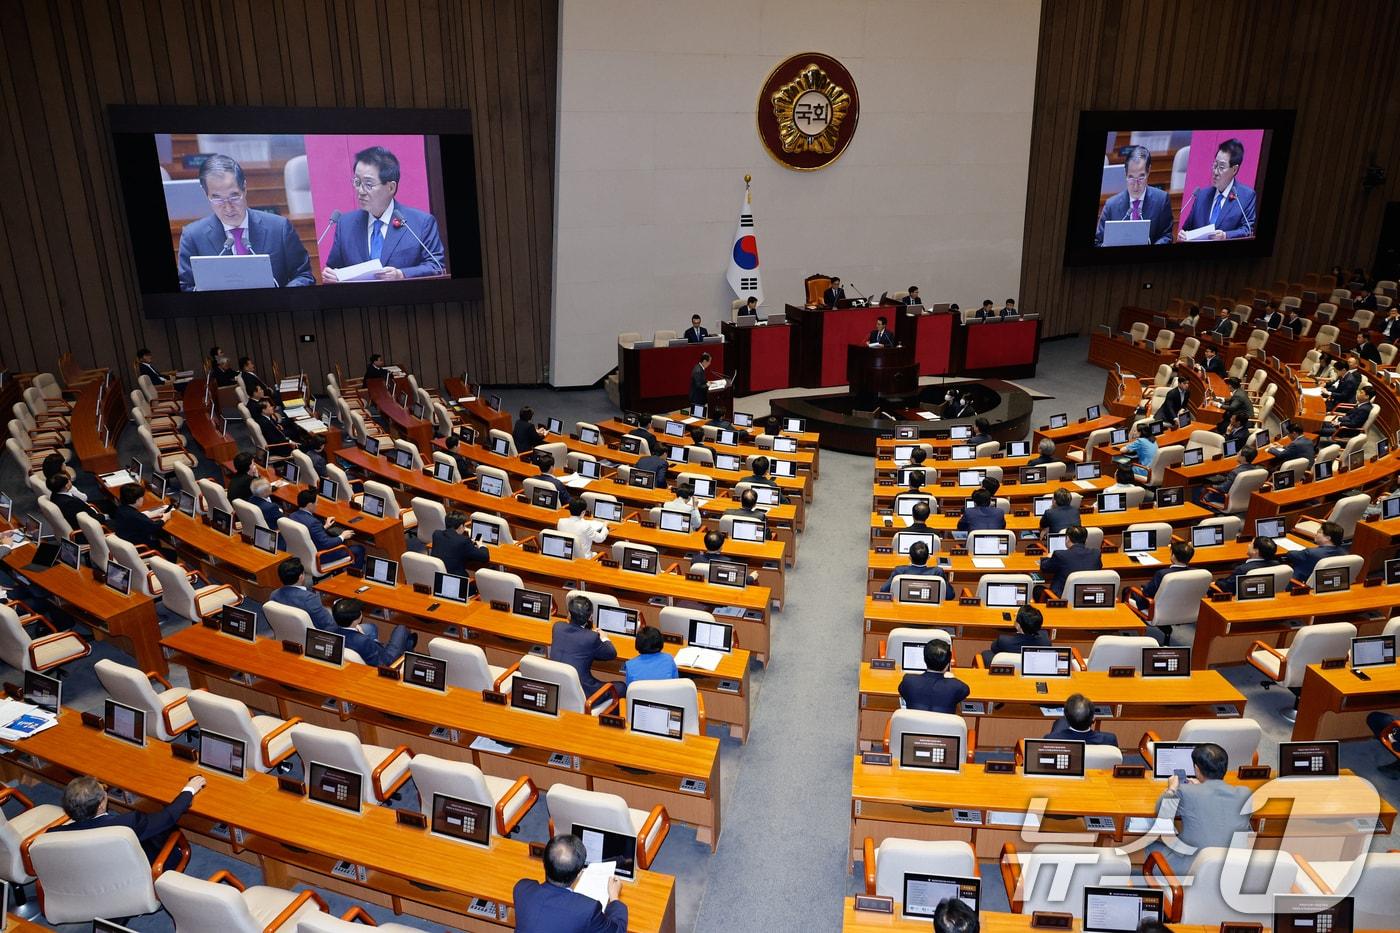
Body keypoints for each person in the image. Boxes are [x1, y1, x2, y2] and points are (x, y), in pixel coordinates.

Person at [176, 154, 313, 290]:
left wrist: (281, 298)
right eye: (217, 199)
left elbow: (304, 276)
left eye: (234, 196)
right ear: (206, 194)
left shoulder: (279, 228)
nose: (228, 207)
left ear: (244, 188)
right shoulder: (193, 237)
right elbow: (185, 287)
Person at [323, 145, 445, 280]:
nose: (360, 191)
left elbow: (436, 266)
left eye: (368, 184)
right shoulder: (345, 224)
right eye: (357, 182)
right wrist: (331, 275)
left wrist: (401, 274)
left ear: (391, 187)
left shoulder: (421, 223)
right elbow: (334, 268)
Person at [52, 774, 207, 867]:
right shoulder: (128, 824)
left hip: (90, 877)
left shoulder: (53, 836)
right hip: (135, 870)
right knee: (164, 831)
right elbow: (167, 818)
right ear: (100, 805)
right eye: (104, 792)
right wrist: (190, 789)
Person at [1150, 743, 1253, 874]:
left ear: (1197, 769)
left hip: (1192, 870)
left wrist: (1172, 788)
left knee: (1151, 847)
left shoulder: (1186, 792)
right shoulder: (1245, 794)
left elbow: (1161, 811)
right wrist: (1202, 785)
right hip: (1232, 870)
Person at [513, 834, 627, 933]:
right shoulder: (588, 910)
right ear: (578, 874)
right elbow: (618, 930)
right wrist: (614, 898)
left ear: (544, 863)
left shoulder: (522, 889)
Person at [1179, 138, 1257, 241]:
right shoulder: (1201, 195)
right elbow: (1186, 229)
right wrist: (1183, 235)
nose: (1215, 172)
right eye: (1215, 165)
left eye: (1221, 167)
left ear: (1234, 169)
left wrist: (1225, 236)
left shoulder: (1245, 196)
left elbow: (1247, 230)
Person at [1095, 146, 1174, 247]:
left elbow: (1167, 236)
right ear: (1125, 173)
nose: (1136, 186)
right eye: (1131, 177)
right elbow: (1098, 242)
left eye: (1141, 177)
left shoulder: (1162, 200)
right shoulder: (1111, 205)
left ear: (1148, 170)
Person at [551, 594, 619, 698]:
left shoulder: (557, 627)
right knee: (621, 687)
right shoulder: (591, 637)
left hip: (556, 686)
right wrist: (604, 637)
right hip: (582, 692)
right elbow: (611, 654)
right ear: (591, 617)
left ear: (569, 614)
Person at [1130, 540, 1196, 643]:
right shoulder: (1196, 573)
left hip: (1157, 610)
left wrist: (1143, 589)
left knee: (1129, 591)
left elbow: (1147, 592)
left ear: (1173, 556)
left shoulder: (1163, 574)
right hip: (1184, 610)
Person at [286, 487, 364, 568]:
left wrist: (324, 527)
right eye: (316, 503)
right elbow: (326, 544)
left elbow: (308, 533)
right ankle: (354, 576)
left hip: (302, 552)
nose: (317, 505)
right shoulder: (313, 522)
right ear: (309, 505)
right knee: (359, 549)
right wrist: (342, 536)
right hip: (321, 556)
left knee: (335, 536)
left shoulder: (292, 516)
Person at [331, 597, 413, 667]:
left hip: (360, 646)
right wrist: (372, 643)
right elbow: (382, 662)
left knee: (371, 627)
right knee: (401, 629)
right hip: (386, 659)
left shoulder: (332, 632)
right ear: (356, 620)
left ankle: (409, 643)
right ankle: (409, 646)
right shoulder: (364, 641)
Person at [897, 639, 969, 713]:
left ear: (924, 659)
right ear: (948, 664)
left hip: (914, 724)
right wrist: (951, 679)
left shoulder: (909, 681)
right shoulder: (956, 686)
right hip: (943, 724)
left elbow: (903, 692)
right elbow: (966, 691)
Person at [1039, 525, 1101, 597]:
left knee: (1037, 589)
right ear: (1086, 540)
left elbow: (1044, 567)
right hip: (1086, 596)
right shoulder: (1096, 554)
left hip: (1061, 599)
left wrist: (1048, 557)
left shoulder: (1060, 555)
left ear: (1067, 538)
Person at [981, 605, 1051, 667]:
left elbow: (993, 648)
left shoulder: (1003, 641)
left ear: (1018, 625)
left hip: (1010, 671)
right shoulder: (1046, 640)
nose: (1015, 615)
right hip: (1033, 670)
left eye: (1016, 615)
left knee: (986, 654)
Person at [110, 483, 170, 552]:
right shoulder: (135, 516)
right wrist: (165, 518)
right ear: (137, 500)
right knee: (171, 553)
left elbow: (140, 520)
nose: (143, 499)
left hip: (126, 541)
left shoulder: (121, 509)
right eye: (142, 497)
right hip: (140, 548)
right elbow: (154, 527)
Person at [1044, 693, 1118, 746]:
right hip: (1097, 768)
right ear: (1093, 719)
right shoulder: (1110, 740)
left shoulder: (1051, 739)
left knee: (1059, 723)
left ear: (1065, 717)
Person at [432, 510, 489, 576]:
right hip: (457, 579)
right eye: (464, 526)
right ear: (461, 526)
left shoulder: (436, 534)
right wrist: (481, 545)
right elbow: (485, 557)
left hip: (438, 575)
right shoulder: (463, 541)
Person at [878, 541, 947, 594]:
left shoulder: (899, 571)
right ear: (928, 557)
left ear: (909, 558)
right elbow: (950, 595)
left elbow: (884, 590)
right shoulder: (938, 572)